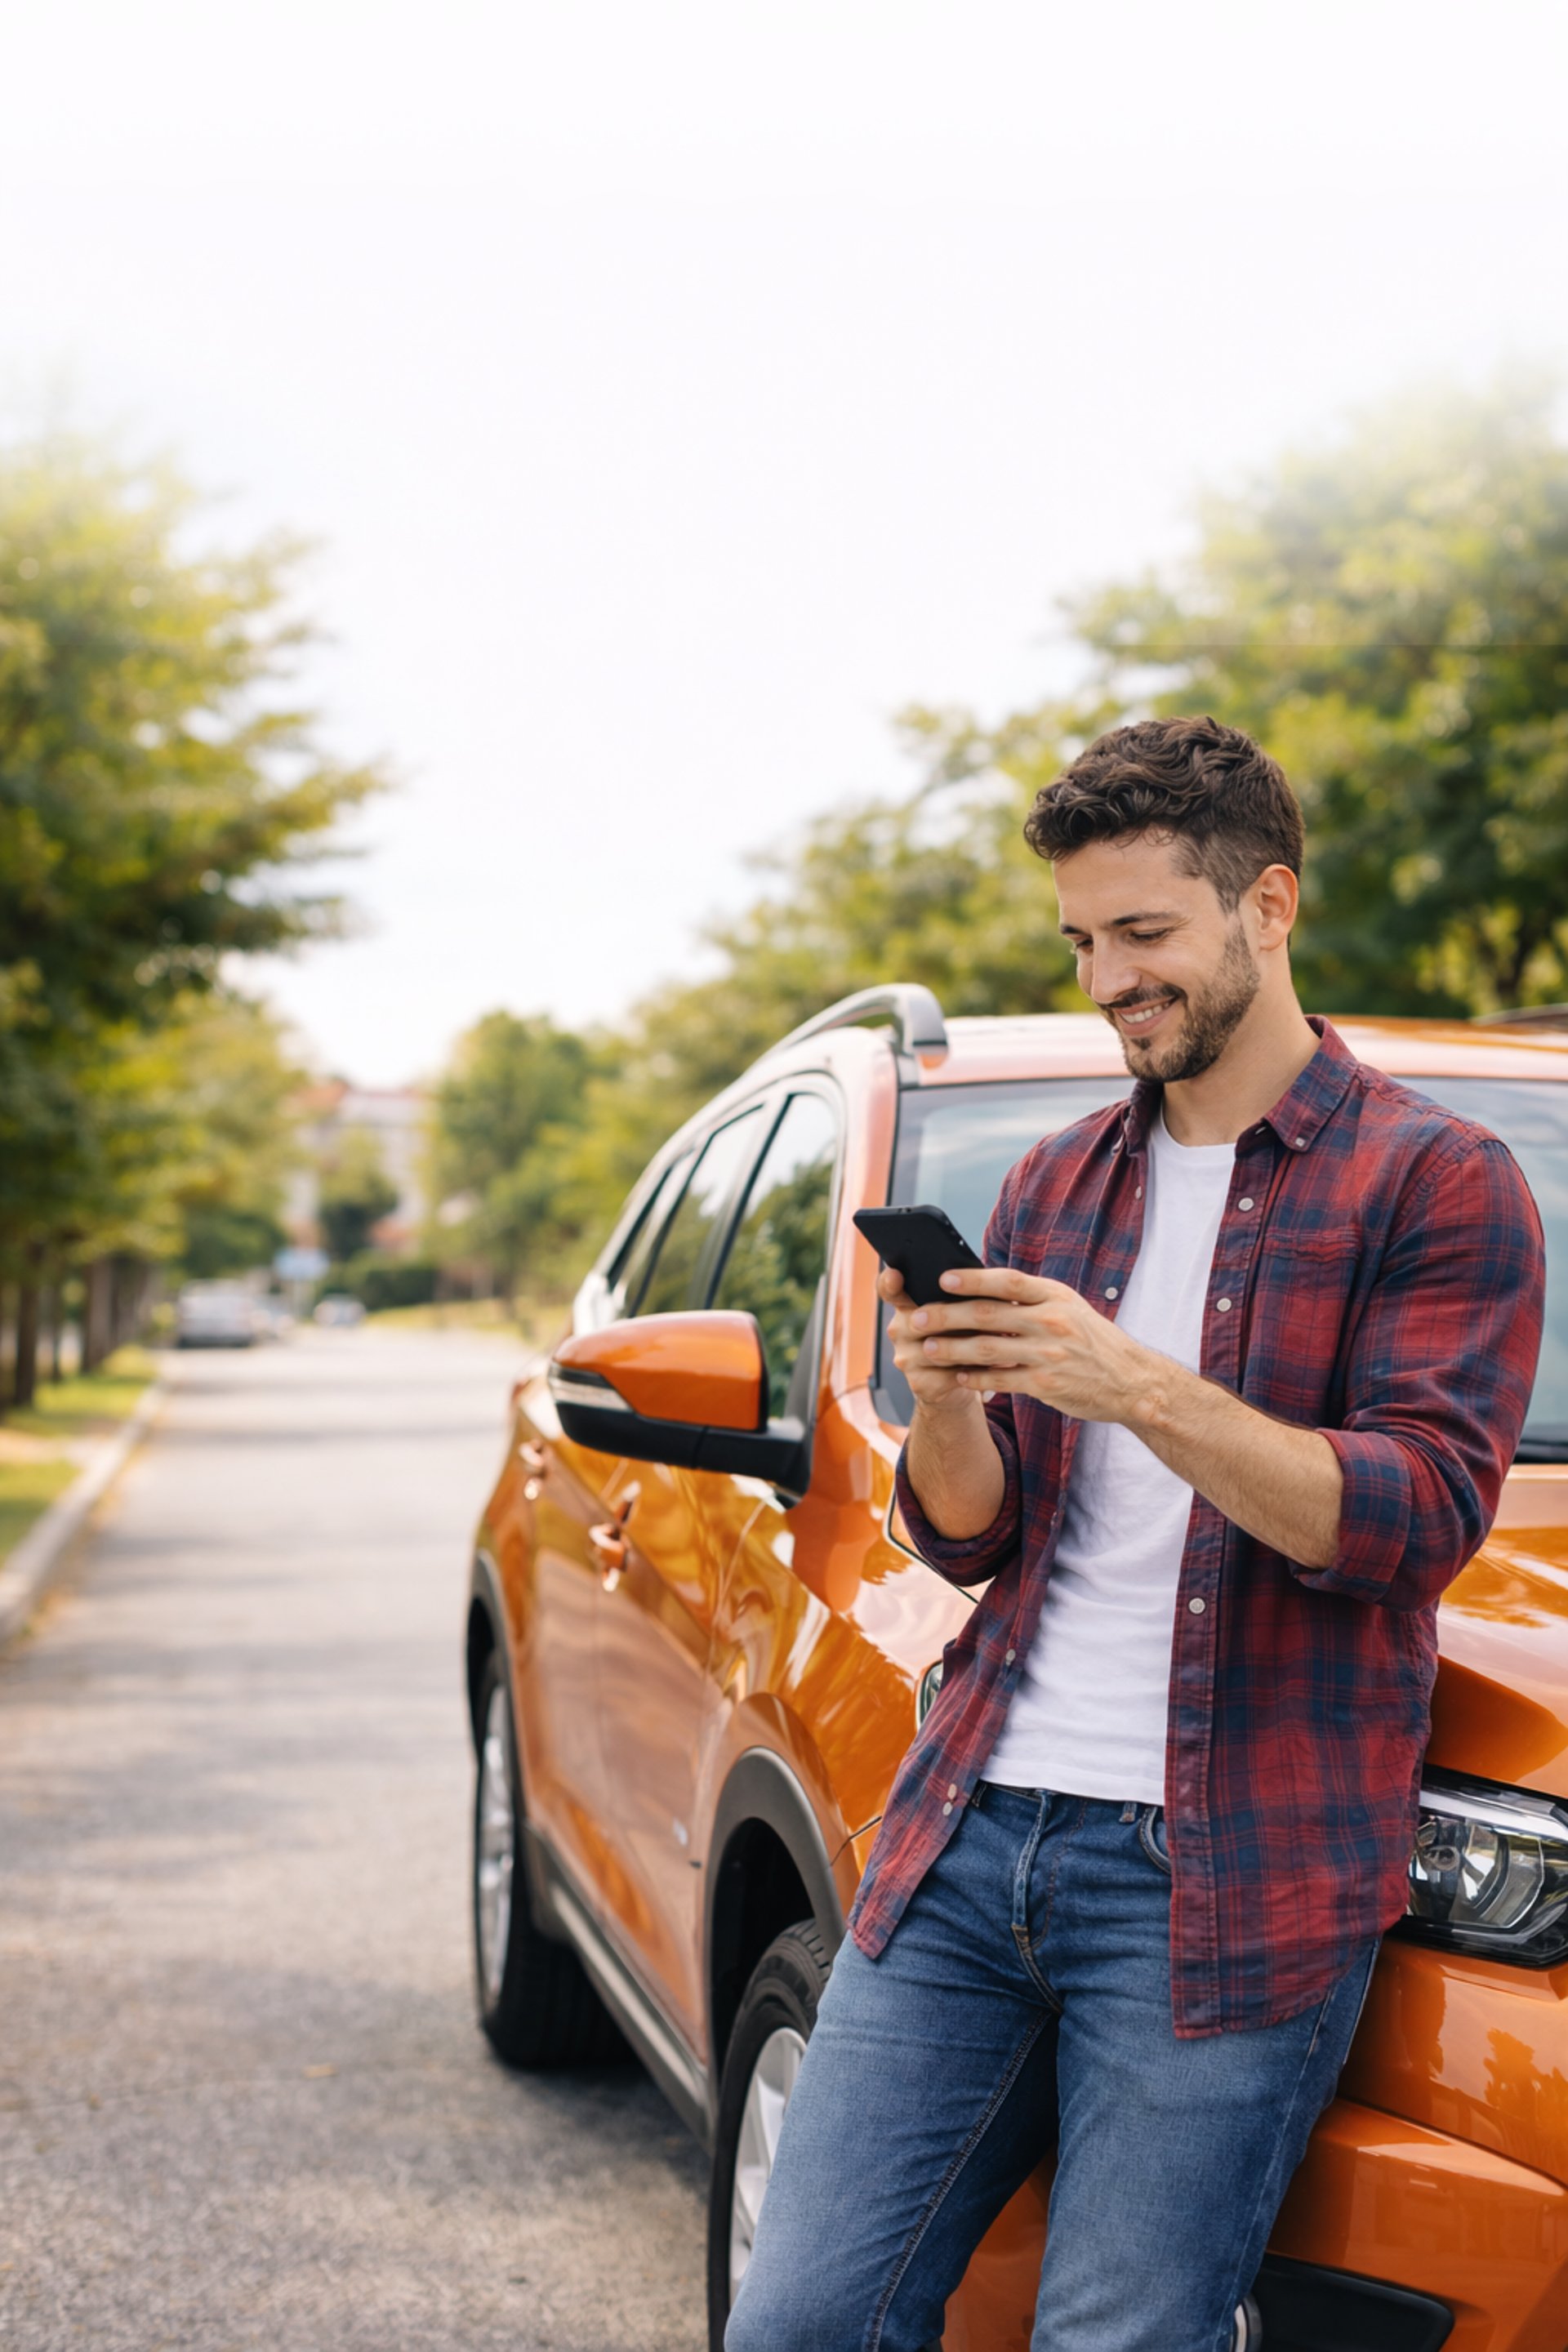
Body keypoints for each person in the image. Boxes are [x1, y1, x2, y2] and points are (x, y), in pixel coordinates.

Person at [725, 716, 1545, 2352]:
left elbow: (1414, 1520)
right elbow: (972, 1539)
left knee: (1114, 2338)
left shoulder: (1438, 1184)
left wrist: (1141, 1387)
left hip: (1227, 1878)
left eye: (1147, 934)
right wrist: (951, 1392)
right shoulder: (1052, 1185)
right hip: (970, 1836)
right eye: (1084, 941)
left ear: (1270, 906)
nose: (1110, 979)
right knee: (800, 2323)